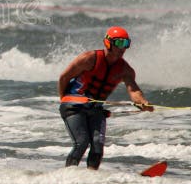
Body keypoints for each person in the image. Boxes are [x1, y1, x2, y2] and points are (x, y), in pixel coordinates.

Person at [57, 26, 153, 170]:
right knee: (81, 143)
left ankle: (91, 179)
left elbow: (134, 90)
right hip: (74, 106)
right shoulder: (89, 59)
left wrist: (142, 102)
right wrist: (64, 100)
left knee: (97, 147)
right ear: (108, 43)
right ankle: (67, 176)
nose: (123, 48)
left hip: (95, 109)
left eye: (126, 44)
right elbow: (64, 77)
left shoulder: (125, 70)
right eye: (119, 43)